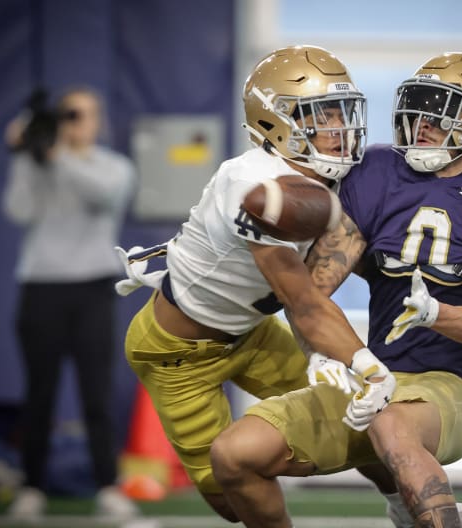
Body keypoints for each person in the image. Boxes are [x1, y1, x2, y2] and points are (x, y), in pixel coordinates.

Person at [209, 52, 462, 528]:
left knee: (392, 423)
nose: (422, 126)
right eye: (416, 112)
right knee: (234, 454)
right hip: (377, 379)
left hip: (451, 385)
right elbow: (312, 291)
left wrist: (435, 313)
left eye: (440, 115)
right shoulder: (377, 172)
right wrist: (322, 352)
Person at [114, 45, 403, 522]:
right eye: (320, 116)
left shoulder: (325, 174)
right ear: (274, 124)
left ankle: (406, 507)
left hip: (252, 330)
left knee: (363, 415)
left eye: (342, 113)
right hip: (176, 353)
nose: (339, 130)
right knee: (231, 494)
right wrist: (366, 363)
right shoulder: (255, 186)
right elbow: (303, 302)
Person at [2, 87, 138, 518]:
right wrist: (25, 155)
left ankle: (108, 486)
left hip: (92, 289)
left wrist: (56, 154)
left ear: (98, 121)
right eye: (68, 115)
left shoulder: (114, 167)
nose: (76, 123)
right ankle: (32, 487)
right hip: (41, 288)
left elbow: (104, 197)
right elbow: (19, 211)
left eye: (83, 115)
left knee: (95, 393)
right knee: (39, 394)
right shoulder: (37, 162)